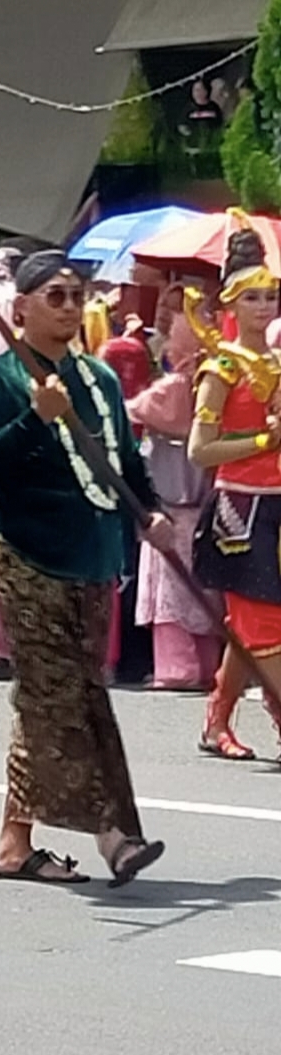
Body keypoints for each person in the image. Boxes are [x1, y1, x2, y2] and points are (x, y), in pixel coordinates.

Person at [0, 250, 170, 887]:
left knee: (59, 698)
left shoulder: (100, 380)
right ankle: (112, 834)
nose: (70, 307)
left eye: (77, 296)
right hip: (27, 557)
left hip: (95, 555)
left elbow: (124, 459)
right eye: (54, 296)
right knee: (62, 698)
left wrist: (150, 512)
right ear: (19, 308)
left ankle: (14, 842)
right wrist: (33, 421)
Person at [190, 227, 281, 758]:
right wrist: (266, 437)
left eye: (271, 296)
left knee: (258, 623)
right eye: (252, 297)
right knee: (260, 621)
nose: (264, 306)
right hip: (240, 506)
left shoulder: (275, 362)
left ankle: (216, 720)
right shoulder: (220, 367)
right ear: (230, 303)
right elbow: (200, 450)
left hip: (277, 501)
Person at [126, 310, 221, 691]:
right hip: (208, 501)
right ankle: (207, 665)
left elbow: (132, 409)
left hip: (171, 502)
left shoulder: (173, 387)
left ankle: (176, 668)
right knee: (205, 590)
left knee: (169, 589)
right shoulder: (215, 383)